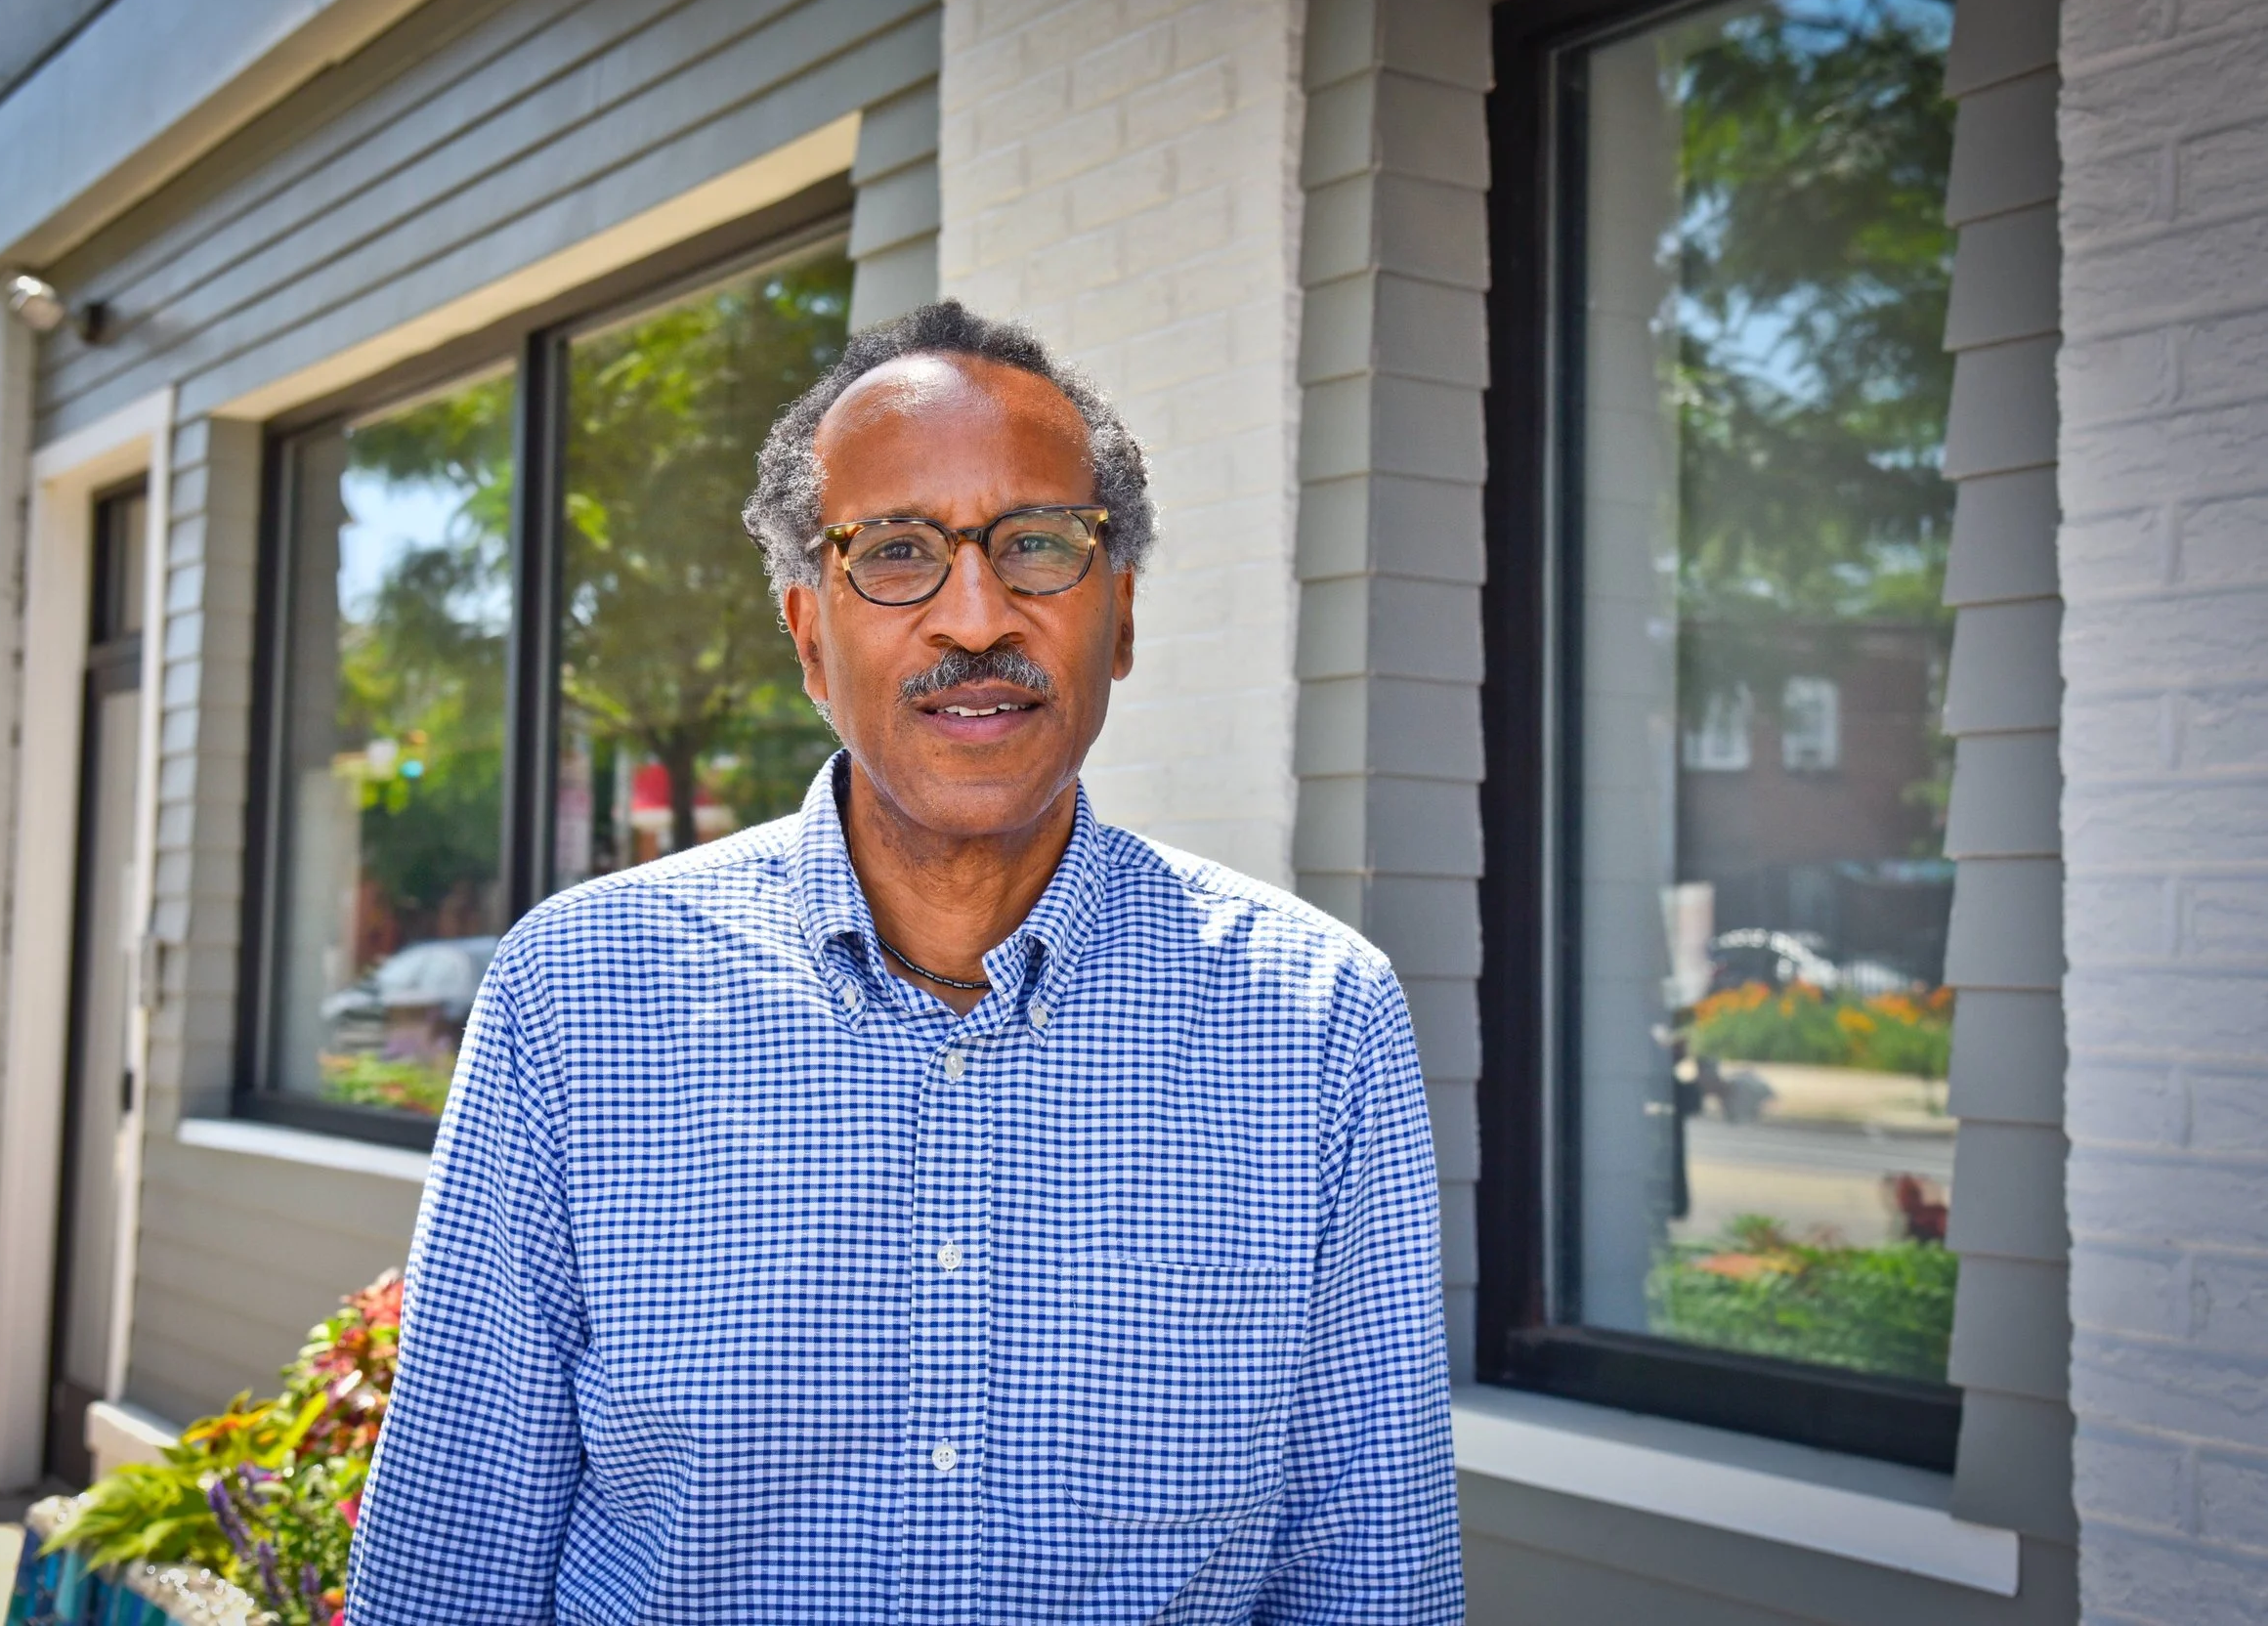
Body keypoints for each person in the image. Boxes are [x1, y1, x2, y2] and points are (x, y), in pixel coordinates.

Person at [345, 301, 1463, 1622]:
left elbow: (1369, 1568)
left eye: (1040, 546)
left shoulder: (1315, 1020)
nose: (974, 615)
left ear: (1122, 617)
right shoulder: (583, 995)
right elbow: (455, 1549)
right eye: (897, 553)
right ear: (810, 634)